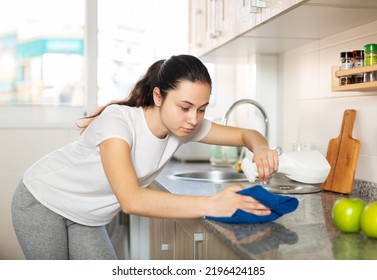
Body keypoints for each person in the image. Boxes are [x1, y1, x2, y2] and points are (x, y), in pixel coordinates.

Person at [11, 54, 279, 260]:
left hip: (85, 216)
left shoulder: (183, 127)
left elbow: (247, 134)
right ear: (158, 96)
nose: (193, 119)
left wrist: (261, 149)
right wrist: (213, 204)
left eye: (201, 109)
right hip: (43, 201)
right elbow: (131, 199)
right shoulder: (118, 122)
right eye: (185, 107)